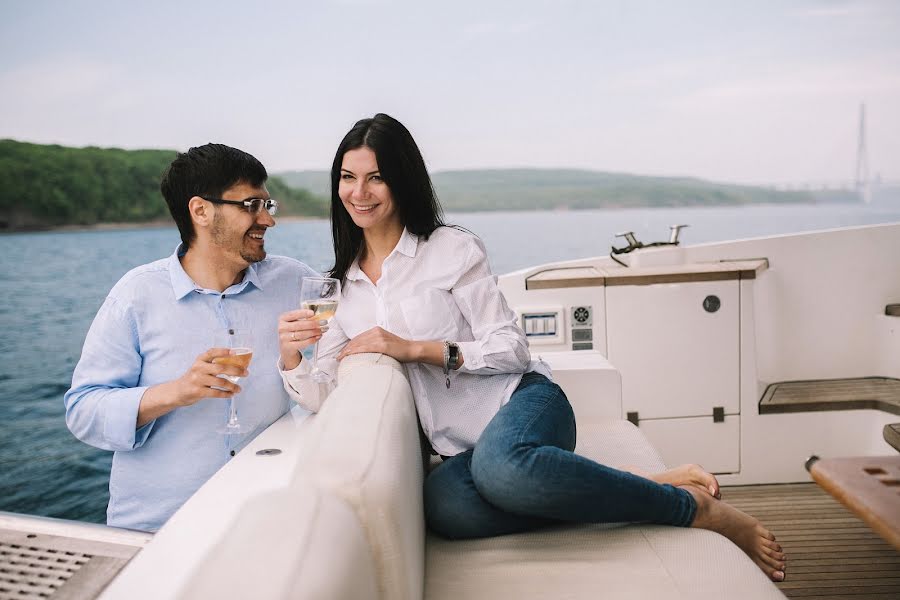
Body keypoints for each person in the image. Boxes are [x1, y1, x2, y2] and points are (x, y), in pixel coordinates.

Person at [278, 114, 786, 582]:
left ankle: (693, 508)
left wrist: (416, 349)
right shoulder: (339, 288)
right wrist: (291, 357)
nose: (358, 192)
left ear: (402, 180)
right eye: (348, 177)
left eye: (375, 177)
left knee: (503, 469)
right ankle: (639, 480)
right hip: (462, 449)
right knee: (443, 509)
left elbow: (511, 349)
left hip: (523, 402)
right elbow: (327, 395)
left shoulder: (450, 249)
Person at [65, 144, 319, 532]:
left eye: (269, 205)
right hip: (159, 528)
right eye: (252, 204)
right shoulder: (136, 295)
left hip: (265, 518)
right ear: (200, 210)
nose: (268, 220)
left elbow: (336, 364)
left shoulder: (295, 282)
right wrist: (176, 392)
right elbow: (83, 412)